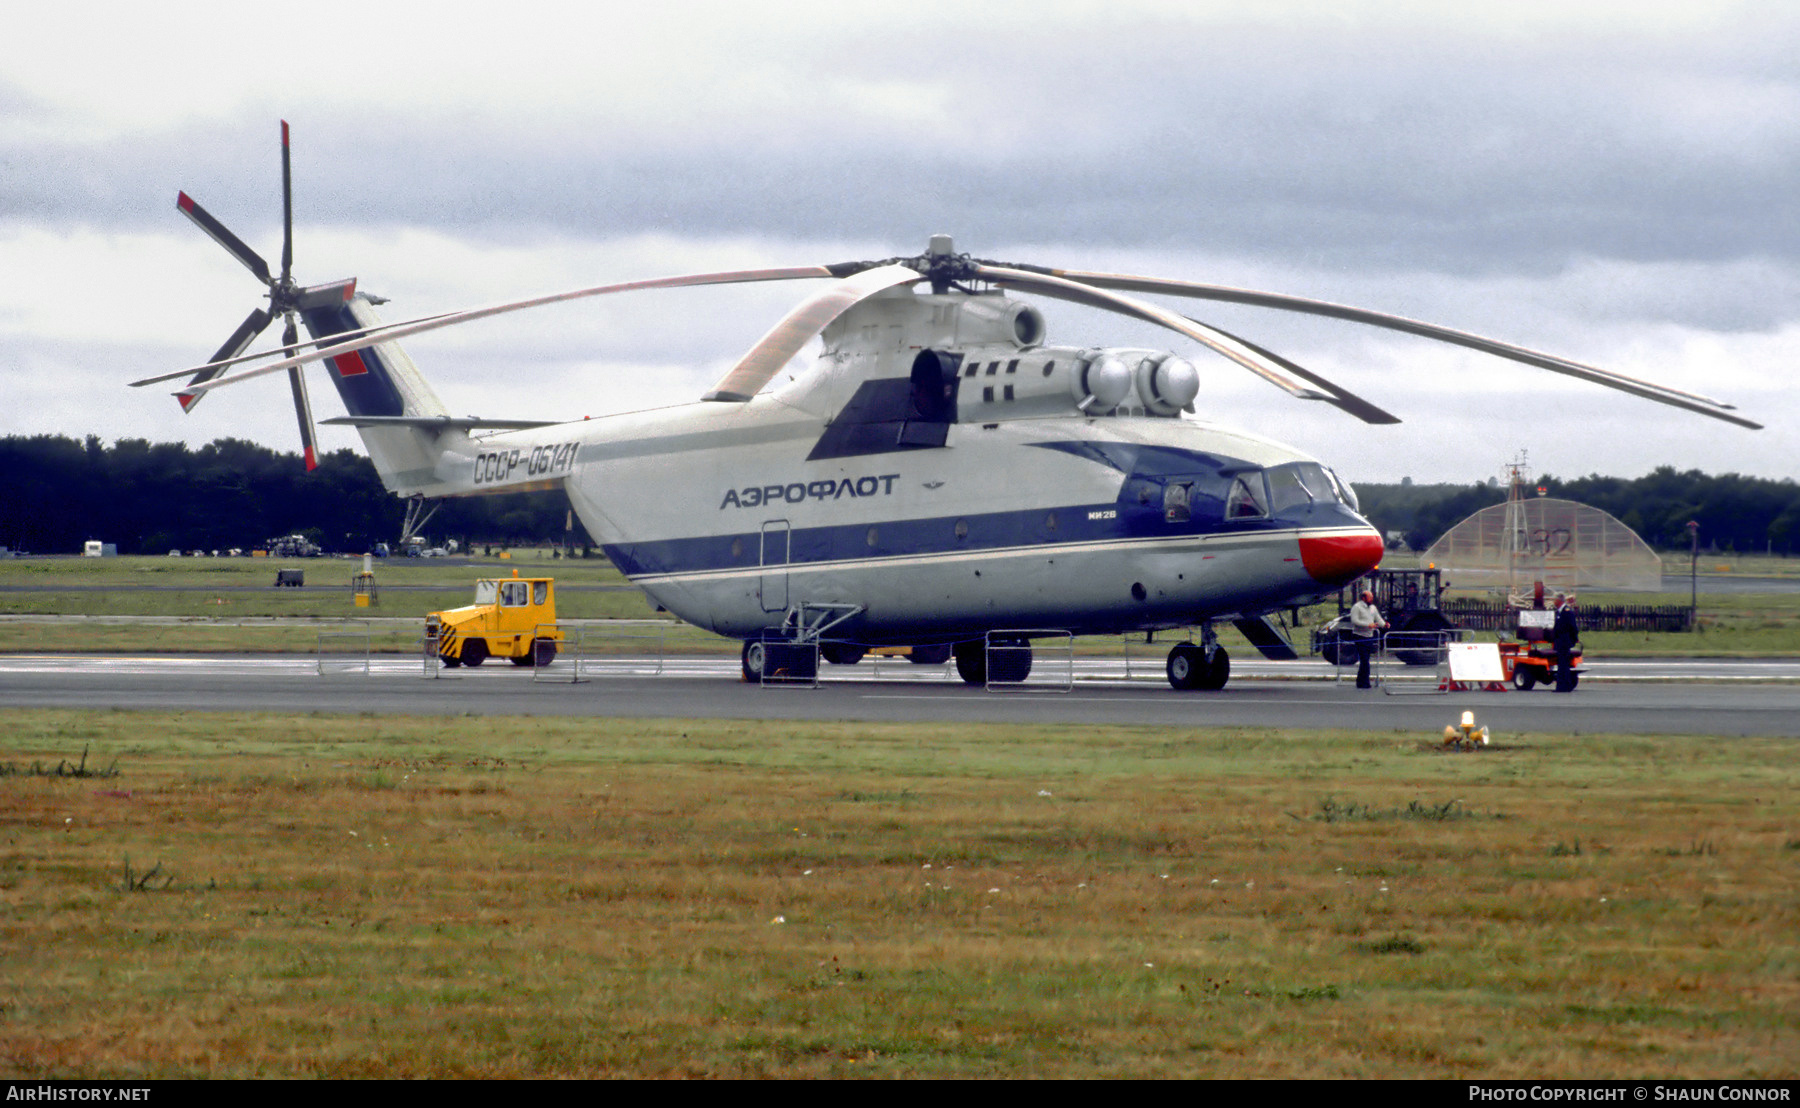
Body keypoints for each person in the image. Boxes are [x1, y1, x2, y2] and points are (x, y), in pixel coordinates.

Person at [1349, 588, 1389, 689]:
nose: (1372, 598)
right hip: (1359, 636)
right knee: (1365, 660)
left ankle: (1361, 681)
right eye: (1369, 597)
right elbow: (1355, 621)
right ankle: (1364, 682)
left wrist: (1384, 624)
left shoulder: (1373, 608)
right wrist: (1368, 625)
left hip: (1369, 636)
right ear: (1363, 598)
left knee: (1365, 659)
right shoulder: (1357, 607)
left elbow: (1378, 619)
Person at [1552, 593, 1580, 692]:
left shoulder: (1567, 612)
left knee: (1563, 665)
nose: (1553, 602)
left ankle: (1563, 687)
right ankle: (1564, 686)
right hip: (1560, 642)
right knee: (1562, 665)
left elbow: (1573, 628)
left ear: (1559, 601)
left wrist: (1571, 640)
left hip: (1564, 642)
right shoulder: (1559, 612)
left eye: (1555, 600)